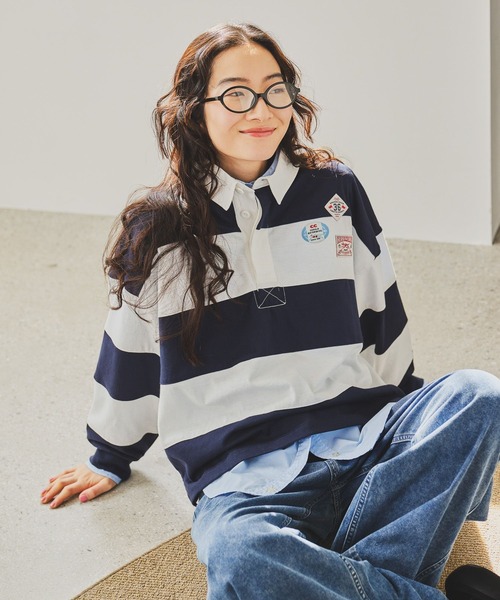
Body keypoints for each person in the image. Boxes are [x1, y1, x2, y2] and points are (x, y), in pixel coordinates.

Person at [41, 22, 500, 600]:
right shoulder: (158, 227)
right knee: (241, 554)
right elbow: (128, 351)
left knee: (480, 395)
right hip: (245, 481)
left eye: (275, 89)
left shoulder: (334, 191)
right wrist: (110, 456)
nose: (261, 109)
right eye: (236, 93)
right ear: (194, 109)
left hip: (362, 438)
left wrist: (414, 438)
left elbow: (380, 308)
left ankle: (329, 577)